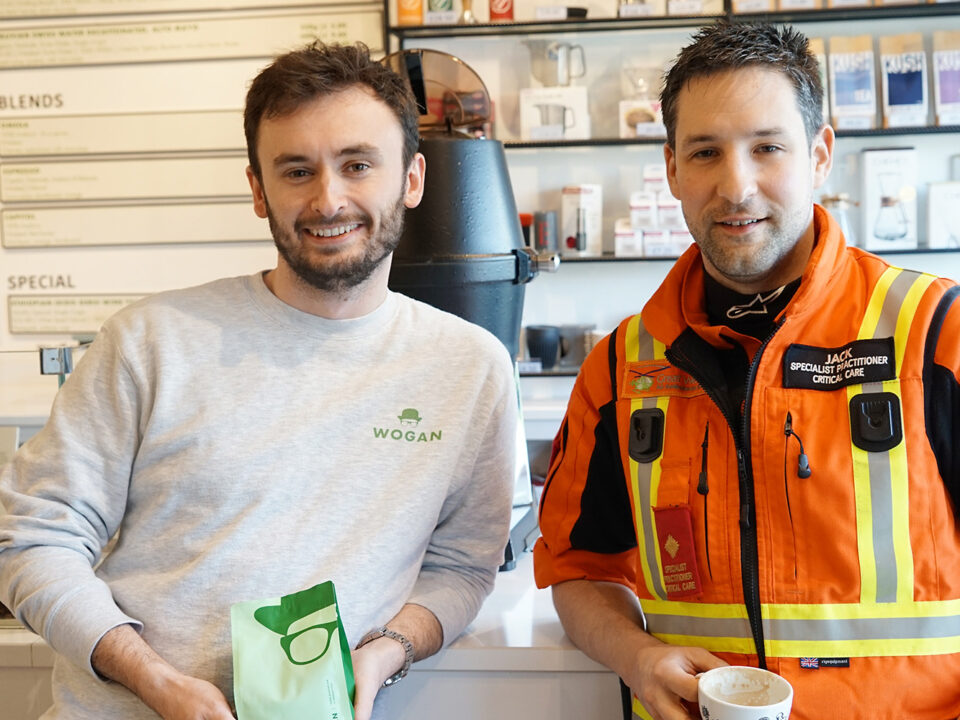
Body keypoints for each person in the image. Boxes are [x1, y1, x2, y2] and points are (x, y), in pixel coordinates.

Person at [0, 41, 518, 720]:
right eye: (297, 170)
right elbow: (35, 539)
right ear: (257, 189)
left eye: (357, 164)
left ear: (412, 179)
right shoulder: (151, 341)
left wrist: (386, 652)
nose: (328, 199)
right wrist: (155, 681)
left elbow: (462, 568)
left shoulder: (471, 367)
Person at [534, 22, 960, 720]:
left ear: (820, 155)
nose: (736, 187)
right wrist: (635, 656)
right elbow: (577, 571)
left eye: (767, 148)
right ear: (671, 169)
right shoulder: (620, 370)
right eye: (706, 152)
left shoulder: (934, 334)